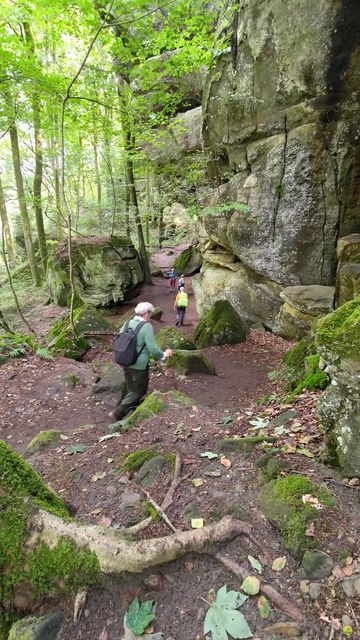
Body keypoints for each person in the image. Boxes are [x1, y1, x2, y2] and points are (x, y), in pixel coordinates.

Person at [109, 302, 172, 423]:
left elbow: (120, 341)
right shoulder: (146, 326)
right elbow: (153, 349)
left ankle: (134, 410)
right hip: (139, 365)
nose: (150, 316)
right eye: (150, 313)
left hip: (126, 361)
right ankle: (117, 413)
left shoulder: (127, 323)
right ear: (146, 313)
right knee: (139, 391)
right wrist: (164, 355)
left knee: (132, 388)